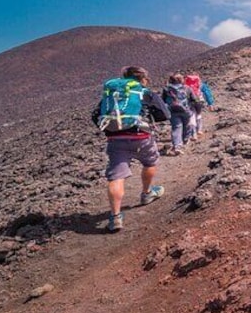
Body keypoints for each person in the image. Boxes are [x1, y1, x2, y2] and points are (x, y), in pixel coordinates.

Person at [92, 66, 170, 233]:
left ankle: (115, 216)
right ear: (143, 78)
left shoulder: (112, 94)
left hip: (116, 140)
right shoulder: (144, 92)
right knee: (149, 163)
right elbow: (164, 114)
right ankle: (147, 193)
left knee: (116, 177)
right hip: (142, 137)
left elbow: (96, 115)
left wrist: (112, 129)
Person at [162, 73, 196, 155]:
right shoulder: (187, 88)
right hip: (186, 110)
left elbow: (162, 100)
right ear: (181, 80)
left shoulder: (167, 89)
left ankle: (177, 145)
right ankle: (184, 140)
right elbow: (194, 99)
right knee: (187, 125)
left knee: (176, 127)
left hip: (173, 111)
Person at [184, 72, 215, 139]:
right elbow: (207, 94)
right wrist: (210, 104)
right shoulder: (201, 84)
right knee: (198, 114)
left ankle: (193, 133)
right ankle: (199, 130)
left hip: (189, 103)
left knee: (192, 116)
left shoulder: (186, 85)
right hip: (199, 102)